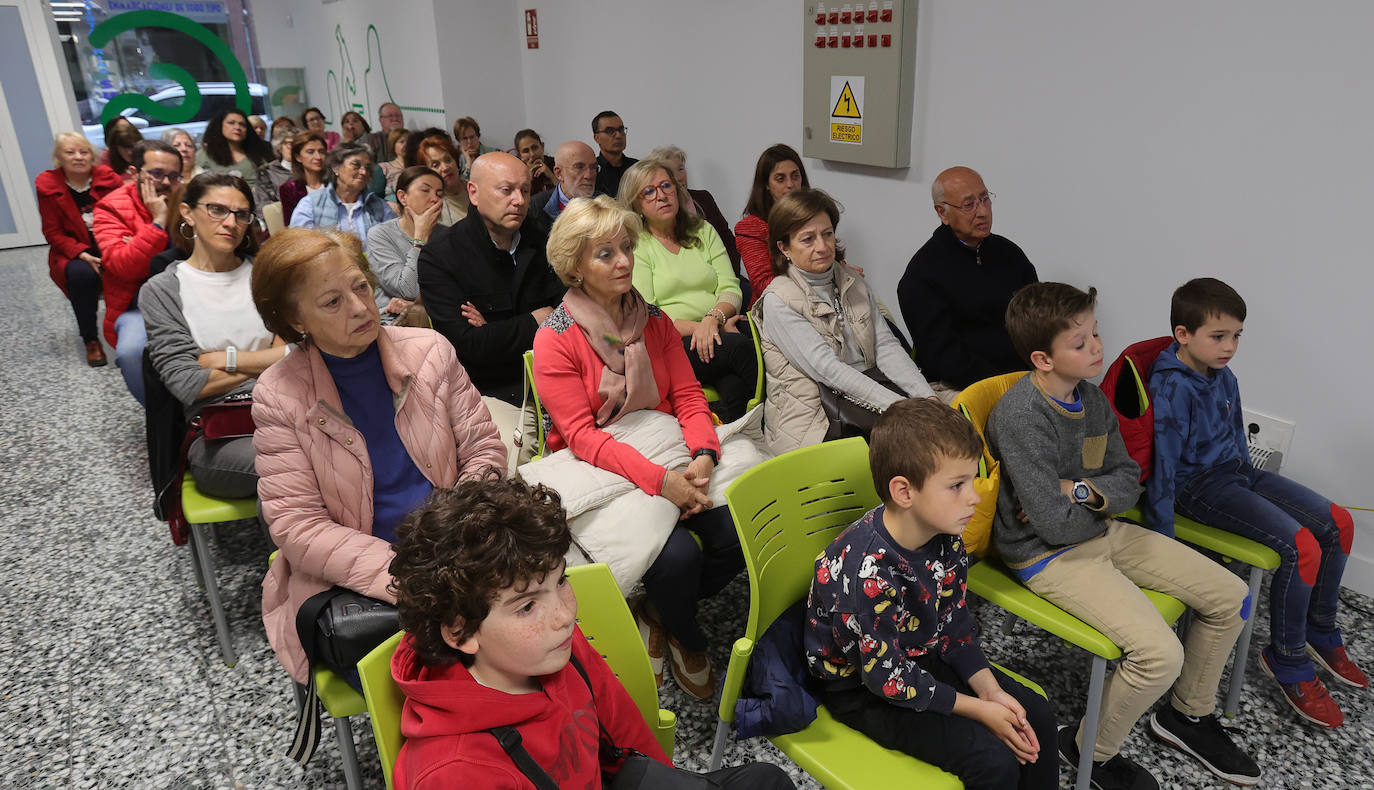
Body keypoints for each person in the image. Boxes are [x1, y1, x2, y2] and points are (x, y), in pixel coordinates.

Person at [988, 282, 1259, 789]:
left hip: (1099, 530)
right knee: (1160, 656)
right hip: (1047, 556)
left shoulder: (1091, 399)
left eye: (1096, 334)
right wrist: (1085, 500)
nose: (1097, 348)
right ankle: (1086, 747)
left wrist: (1076, 490)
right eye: (1081, 342)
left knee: (1233, 596)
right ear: (1043, 359)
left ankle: (1187, 716)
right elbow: (1048, 524)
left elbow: (1127, 480)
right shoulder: (1022, 416)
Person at [388, 478, 795, 790]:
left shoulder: (551, 647)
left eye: (561, 581)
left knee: (766, 780)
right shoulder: (455, 773)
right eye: (527, 605)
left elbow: (624, 731)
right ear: (460, 634)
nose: (565, 614)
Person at [251, 226, 506, 688]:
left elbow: (483, 451)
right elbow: (298, 526)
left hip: (460, 551)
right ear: (296, 320)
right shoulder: (279, 394)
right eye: (332, 302)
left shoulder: (429, 351)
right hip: (366, 578)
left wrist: (463, 539)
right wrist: (413, 577)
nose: (359, 307)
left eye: (361, 287)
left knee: (539, 636)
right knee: (461, 679)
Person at [533, 194, 747, 699]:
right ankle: (689, 636)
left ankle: (656, 613)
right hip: (602, 469)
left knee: (736, 532)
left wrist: (702, 457)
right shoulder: (556, 338)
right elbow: (582, 438)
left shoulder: (652, 319)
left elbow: (689, 396)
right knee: (675, 559)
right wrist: (661, 483)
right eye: (605, 253)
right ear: (575, 268)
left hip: (668, 453)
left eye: (625, 247)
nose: (624, 260)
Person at [1145, 277, 1366, 728]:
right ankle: (1287, 660)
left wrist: (1253, 484)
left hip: (1235, 474)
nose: (1230, 347)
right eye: (1219, 337)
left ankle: (1320, 631)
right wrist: (1162, 541)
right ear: (1183, 335)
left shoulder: (1224, 377)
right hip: (1197, 489)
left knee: (1338, 523)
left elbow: (1236, 445)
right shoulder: (1171, 388)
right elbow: (1163, 468)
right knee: (1300, 546)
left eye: (1236, 337)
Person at [807, 398, 1058, 789]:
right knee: (993, 763)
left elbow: (954, 623)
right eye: (957, 486)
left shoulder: (946, 536)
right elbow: (885, 678)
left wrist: (990, 691)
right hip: (864, 688)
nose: (974, 496)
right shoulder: (867, 573)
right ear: (904, 492)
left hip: (918, 653)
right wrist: (978, 710)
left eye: (972, 479)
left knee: (1036, 715)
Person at [752, 190, 934, 454]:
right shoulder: (779, 299)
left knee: (941, 430)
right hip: (817, 419)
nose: (823, 246)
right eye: (808, 239)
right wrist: (899, 409)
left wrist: (925, 397)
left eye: (827, 234)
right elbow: (828, 370)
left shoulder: (851, 279)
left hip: (868, 398)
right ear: (784, 248)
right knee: (921, 451)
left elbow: (885, 346)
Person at [141, 173, 285, 498]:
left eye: (241, 214)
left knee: (310, 471)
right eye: (217, 210)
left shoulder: (265, 275)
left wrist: (227, 359)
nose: (231, 222)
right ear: (188, 213)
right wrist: (273, 360)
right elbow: (189, 384)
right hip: (222, 430)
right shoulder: (163, 290)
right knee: (290, 468)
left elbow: (298, 351)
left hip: (290, 408)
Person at [418, 152, 563, 409]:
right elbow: (470, 346)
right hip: (488, 392)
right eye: (506, 190)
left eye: (526, 191)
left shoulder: (544, 240)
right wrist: (535, 320)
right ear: (473, 193)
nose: (518, 201)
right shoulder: (441, 255)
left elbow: (570, 316)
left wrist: (493, 330)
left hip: (556, 374)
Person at [620, 157, 755, 423]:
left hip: (716, 331)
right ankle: (772, 426)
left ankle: (735, 435)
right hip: (669, 343)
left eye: (666, 186)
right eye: (649, 191)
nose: (661, 196)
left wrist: (713, 319)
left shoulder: (703, 230)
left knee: (733, 384)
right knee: (741, 350)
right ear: (636, 203)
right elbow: (649, 312)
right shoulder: (637, 245)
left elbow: (731, 286)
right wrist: (705, 328)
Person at [897, 166, 1038, 400]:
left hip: (1021, 378)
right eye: (969, 204)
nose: (982, 211)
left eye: (985, 199)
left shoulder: (1010, 254)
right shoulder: (922, 274)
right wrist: (1004, 387)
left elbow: (1037, 321)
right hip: (957, 385)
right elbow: (943, 357)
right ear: (942, 213)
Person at [93, 139, 184, 405]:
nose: (166, 182)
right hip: (136, 305)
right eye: (156, 174)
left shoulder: (187, 199)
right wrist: (157, 222)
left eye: (173, 176)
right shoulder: (111, 207)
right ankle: (160, 419)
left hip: (190, 296)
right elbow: (123, 266)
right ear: (135, 174)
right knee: (131, 352)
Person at [36, 131, 124, 365]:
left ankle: (131, 332)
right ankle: (91, 339)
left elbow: (124, 215)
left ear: (91, 156)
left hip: (111, 240)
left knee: (133, 264)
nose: (78, 157)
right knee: (80, 274)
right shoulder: (48, 185)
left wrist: (114, 246)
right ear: (59, 157)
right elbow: (52, 232)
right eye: (70, 152)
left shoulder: (108, 179)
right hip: (75, 248)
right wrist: (81, 254)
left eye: (83, 152)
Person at [648, 145, 742, 281]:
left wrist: (727, 275)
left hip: (723, 275)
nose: (679, 177)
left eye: (681, 169)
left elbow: (728, 240)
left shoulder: (704, 198)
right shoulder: (662, 210)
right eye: (670, 172)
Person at [367, 166, 444, 325]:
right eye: (425, 190)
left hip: (438, 319)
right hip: (394, 324)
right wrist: (420, 239)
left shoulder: (448, 235)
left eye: (439, 194)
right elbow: (408, 290)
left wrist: (420, 305)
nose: (435, 199)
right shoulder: (380, 234)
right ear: (402, 197)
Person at [736, 144, 808, 304]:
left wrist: (843, 272)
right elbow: (764, 285)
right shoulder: (751, 228)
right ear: (766, 185)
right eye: (780, 179)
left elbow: (830, 260)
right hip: (776, 310)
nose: (790, 184)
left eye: (795, 176)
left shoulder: (814, 218)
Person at [288, 142, 395, 251]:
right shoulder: (311, 204)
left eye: (367, 167)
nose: (363, 172)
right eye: (356, 165)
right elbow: (298, 247)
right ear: (336, 168)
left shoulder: (379, 206)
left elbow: (395, 245)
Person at [195, 108, 274, 200]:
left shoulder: (261, 151)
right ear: (219, 126)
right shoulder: (204, 155)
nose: (237, 127)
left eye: (242, 124)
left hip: (260, 202)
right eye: (231, 123)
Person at [529, 140, 596, 234]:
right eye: (579, 167)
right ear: (559, 173)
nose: (589, 175)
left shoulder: (606, 206)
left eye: (593, 167)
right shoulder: (534, 208)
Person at [415, 133, 469, 225]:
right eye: (436, 165)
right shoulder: (432, 209)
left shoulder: (477, 189)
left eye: (448, 160)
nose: (445, 168)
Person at [278, 131, 328, 225]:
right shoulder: (289, 189)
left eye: (321, 152)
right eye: (310, 152)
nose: (318, 157)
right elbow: (291, 226)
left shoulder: (335, 184)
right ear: (298, 157)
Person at [592, 110, 637, 198]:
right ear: (597, 138)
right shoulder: (591, 171)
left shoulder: (637, 167)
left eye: (621, 130)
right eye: (609, 131)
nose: (619, 135)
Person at [255, 126, 297, 210]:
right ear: (279, 146)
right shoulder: (266, 172)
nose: (295, 148)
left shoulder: (310, 169)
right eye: (290, 144)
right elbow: (263, 206)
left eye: (298, 144)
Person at [98, 116, 143, 180]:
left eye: (132, 147)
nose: (129, 152)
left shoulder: (146, 155)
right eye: (125, 147)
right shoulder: (105, 158)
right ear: (115, 148)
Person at [514, 128, 556, 194]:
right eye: (526, 151)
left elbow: (568, 194)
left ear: (542, 146)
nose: (532, 154)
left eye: (535, 148)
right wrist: (528, 179)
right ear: (520, 155)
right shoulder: (515, 172)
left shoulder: (555, 164)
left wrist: (551, 176)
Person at [454, 116, 495, 181]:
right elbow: (459, 187)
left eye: (472, 137)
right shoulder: (455, 160)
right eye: (465, 138)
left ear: (478, 136)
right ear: (459, 140)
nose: (469, 142)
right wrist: (469, 165)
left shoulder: (494, 154)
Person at [377, 128, 409, 205]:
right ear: (393, 145)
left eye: (409, 141)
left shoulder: (419, 166)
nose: (406, 145)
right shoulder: (384, 168)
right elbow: (374, 197)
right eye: (401, 142)